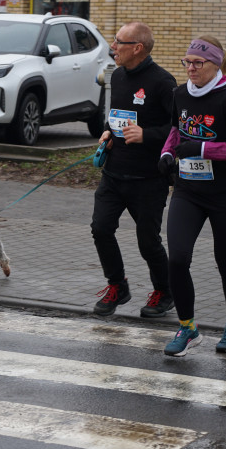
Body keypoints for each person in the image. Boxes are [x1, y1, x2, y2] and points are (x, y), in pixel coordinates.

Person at [158, 36, 226, 356]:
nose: (191, 69)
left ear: (215, 65)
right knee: (177, 259)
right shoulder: (180, 94)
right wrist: (167, 154)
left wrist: (201, 148)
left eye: (198, 63)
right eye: (186, 62)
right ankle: (188, 329)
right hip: (188, 190)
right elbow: (176, 130)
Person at [91, 21, 176, 318]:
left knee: (148, 241)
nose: (112, 47)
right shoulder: (118, 76)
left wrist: (148, 135)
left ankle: (165, 292)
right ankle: (118, 285)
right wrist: (107, 132)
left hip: (148, 179)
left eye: (118, 42)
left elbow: (178, 129)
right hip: (114, 174)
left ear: (137, 48)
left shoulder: (163, 82)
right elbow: (117, 116)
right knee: (100, 229)